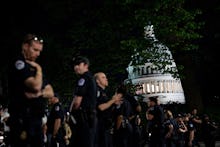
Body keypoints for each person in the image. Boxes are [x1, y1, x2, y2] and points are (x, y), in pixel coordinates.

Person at [7, 33, 54, 147]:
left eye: (39, 51)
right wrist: (39, 70)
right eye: (35, 50)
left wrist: (40, 93)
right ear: (25, 46)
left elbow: (50, 91)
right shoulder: (19, 64)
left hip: (36, 119)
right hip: (22, 119)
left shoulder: (34, 67)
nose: (37, 54)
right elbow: (35, 85)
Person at [69, 56, 97, 147]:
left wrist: (70, 114)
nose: (76, 67)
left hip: (83, 117)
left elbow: (77, 102)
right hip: (89, 117)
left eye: (78, 64)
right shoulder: (90, 78)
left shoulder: (84, 78)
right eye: (74, 65)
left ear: (86, 65)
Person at [94, 72, 122, 147]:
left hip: (106, 125)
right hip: (100, 126)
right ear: (97, 81)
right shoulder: (97, 91)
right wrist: (113, 100)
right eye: (103, 77)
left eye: (105, 77)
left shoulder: (103, 93)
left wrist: (113, 103)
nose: (106, 79)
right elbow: (101, 107)